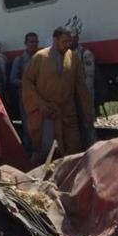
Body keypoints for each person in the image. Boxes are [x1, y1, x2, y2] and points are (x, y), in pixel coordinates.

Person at [22, 27, 93, 162]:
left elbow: (81, 87)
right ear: (55, 40)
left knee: (73, 147)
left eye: (69, 42)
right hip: (47, 112)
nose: (68, 45)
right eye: (64, 41)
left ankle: (68, 176)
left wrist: (87, 112)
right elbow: (27, 82)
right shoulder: (40, 57)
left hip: (68, 112)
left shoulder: (73, 57)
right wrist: (40, 104)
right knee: (46, 149)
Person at [9, 32, 39, 151]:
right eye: (31, 42)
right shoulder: (19, 60)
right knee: (28, 128)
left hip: (41, 98)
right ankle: (29, 154)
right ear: (25, 43)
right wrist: (27, 83)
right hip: (26, 99)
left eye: (35, 42)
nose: (33, 44)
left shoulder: (41, 58)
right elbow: (12, 79)